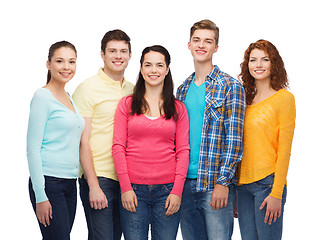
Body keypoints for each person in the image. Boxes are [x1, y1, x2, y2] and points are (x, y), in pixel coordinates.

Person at [176, 19, 246, 240]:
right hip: (184, 185)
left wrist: (223, 182)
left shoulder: (230, 86)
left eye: (208, 41)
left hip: (213, 184)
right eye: (196, 40)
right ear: (189, 45)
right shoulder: (182, 89)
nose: (201, 45)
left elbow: (234, 140)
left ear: (216, 47)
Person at [112, 45, 190, 240]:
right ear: (141, 69)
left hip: (167, 191)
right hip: (133, 190)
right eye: (148, 65)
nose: (153, 70)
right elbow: (118, 147)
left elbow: (183, 151)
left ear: (167, 69)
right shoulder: (127, 104)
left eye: (159, 65)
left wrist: (177, 191)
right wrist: (126, 187)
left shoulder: (178, 108)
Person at [72, 29, 133, 240]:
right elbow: (82, 141)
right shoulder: (87, 88)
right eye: (112, 51)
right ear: (102, 54)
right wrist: (93, 185)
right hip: (99, 177)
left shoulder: (133, 90)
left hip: (126, 179)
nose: (118, 56)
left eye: (123, 51)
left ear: (130, 56)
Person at [237, 39, 296, 240]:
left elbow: (285, 149)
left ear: (274, 64)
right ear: (247, 65)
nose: (259, 65)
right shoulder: (244, 100)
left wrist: (277, 193)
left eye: (265, 59)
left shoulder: (284, 99)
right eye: (253, 60)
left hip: (268, 184)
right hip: (242, 186)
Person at [27, 41, 85, 240]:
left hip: (70, 182)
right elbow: (33, 148)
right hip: (49, 182)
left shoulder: (69, 97)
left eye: (71, 61)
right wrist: (40, 195)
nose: (66, 67)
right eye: (60, 61)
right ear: (48, 64)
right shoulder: (42, 96)